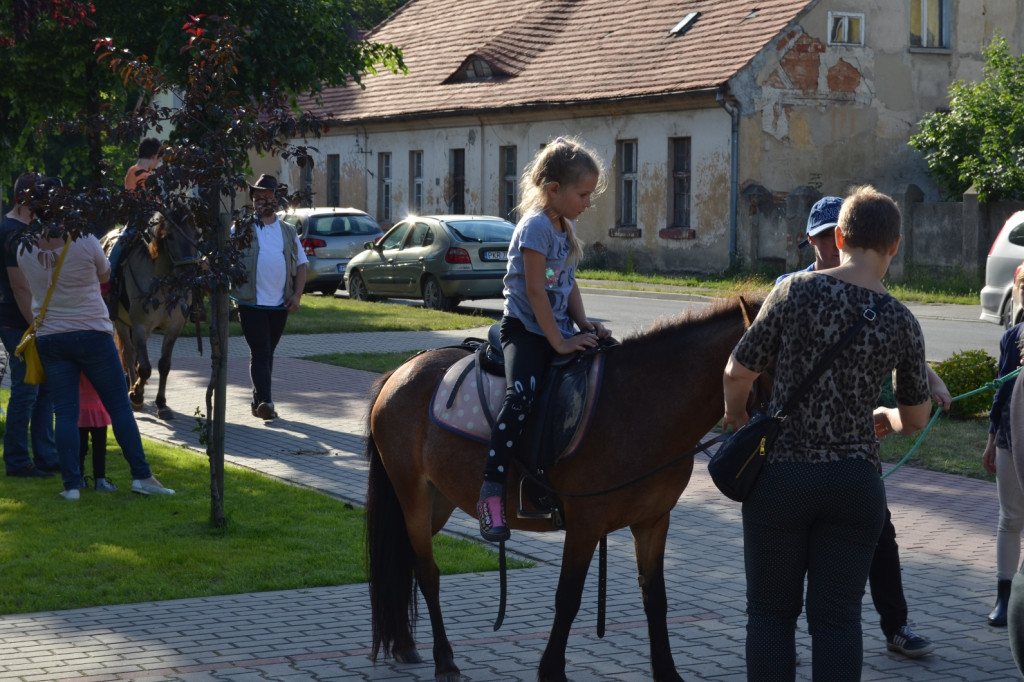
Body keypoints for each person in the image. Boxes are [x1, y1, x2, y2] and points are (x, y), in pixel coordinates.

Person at [723, 185, 933, 680]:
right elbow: (916, 418)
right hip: (856, 483)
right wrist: (886, 416)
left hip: (783, 478)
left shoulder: (796, 290)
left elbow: (738, 370)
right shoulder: (903, 321)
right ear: (895, 245)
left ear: (839, 237)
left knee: (771, 618)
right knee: (839, 620)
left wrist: (735, 417)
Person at [777, 195, 946, 658]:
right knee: (793, 563)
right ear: (816, 240)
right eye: (824, 238)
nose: (834, 251)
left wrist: (928, 379)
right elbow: (747, 364)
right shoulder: (790, 288)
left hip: (852, 451)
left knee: (880, 537)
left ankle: (896, 625)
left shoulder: (875, 293)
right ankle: (781, 637)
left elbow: (897, 338)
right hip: (794, 449)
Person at [476, 136, 610, 542]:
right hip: (525, 329)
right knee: (522, 398)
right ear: (555, 190)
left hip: (556, 327)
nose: (589, 203)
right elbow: (535, 292)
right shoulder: (534, 227)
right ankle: (491, 492)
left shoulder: (564, 227)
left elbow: (566, 284)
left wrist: (584, 325)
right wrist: (560, 343)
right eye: (584, 194)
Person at [15, 192, 174, 500]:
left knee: (64, 412)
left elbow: (32, 281)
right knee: (119, 408)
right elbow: (104, 274)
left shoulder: (25, 247)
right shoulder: (85, 240)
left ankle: (72, 486)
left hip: (51, 337)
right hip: (92, 334)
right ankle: (141, 476)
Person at [231, 173, 307, 420]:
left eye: (268, 196)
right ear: (252, 200)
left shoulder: (288, 231)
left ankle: (258, 401)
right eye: (259, 197)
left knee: (267, 353)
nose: (263, 201)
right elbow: (225, 258)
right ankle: (266, 402)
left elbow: (302, 265)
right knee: (261, 351)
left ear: (277, 199)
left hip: (279, 304)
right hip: (250, 302)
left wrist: (296, 296)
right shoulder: (242, 229)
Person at [0, 172, 59, 478]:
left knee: (43, 388)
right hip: (17, 322)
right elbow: (19, 287)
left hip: (24, 320)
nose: (44, 206)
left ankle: (46, 456)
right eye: (40, 199)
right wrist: (35, 327)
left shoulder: (21, 228)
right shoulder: (12, 232)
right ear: (25, 199)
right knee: (25, 391)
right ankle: (17, 462)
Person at [982, 321, 1024, 626]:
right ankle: (1005, 597)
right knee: (1010, 518)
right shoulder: (1013, 336)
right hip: (1012, 437)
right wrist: (992, 441)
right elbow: (1001, 392)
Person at [79, 373, 117, 492]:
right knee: (99, 448)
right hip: (97, 406)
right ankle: (100, 480)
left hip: (79, 407)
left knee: (79, 448)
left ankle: (79, 478)